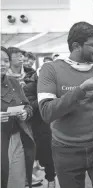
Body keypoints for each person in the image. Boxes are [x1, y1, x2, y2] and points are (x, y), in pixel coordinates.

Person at [37, 22, 93, 188]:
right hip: (66, 150)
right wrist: (81, 90)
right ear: (76, 46)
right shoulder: (50, 70)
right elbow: (47, 112)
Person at [1, 46, 35, 188]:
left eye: (6, 60)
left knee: (17, 180)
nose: (2, 64)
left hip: (16, 138)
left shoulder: (13, 82)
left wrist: (25, 113)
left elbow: (28, 105)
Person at [23, 65, 56, 188]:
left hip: (52, 124)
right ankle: (45, 178)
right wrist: (43, 99)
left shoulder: (52, 85)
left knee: (50, 154)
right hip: (37, 125)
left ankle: (51, 179)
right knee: (42, 153)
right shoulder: (29, 87)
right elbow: (29, 107)